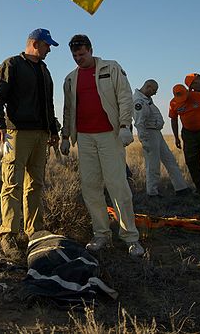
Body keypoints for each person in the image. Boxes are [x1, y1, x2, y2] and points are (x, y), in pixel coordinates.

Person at [60, 34, 144, 257]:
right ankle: (101, 233)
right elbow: (68, 110)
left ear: (90, 50)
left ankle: (130, 237)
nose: (78, 59)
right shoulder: (70, 79)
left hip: (110, 135)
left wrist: (125, 125)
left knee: (117, 185)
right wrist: (65, 136)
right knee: (90, 187)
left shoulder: (111, 68)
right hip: (85, 138)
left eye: (82, 54)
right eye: (75, 56)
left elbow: (124, 96)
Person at [0, 29, 60, 259]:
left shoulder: (44, 70)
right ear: (35, 43)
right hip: (15, 134)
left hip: (40, 134)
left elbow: (47, 103)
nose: (49, 49)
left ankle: (35, 230)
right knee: (11, 183)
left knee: (35, 183)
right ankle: (8, 233)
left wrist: (53, 129)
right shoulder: (12, 64)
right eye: (47, 45)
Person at [132, 80, 190, 198]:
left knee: (170, 160)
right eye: (154, 90)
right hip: (149, 134)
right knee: (153, 165)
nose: (155, 93)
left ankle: (181, 188)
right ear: (148, 87)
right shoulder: (139, 101)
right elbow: (139, 123)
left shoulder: (146, 100)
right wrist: (144, 140)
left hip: (156, 133)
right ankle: (152, 193)